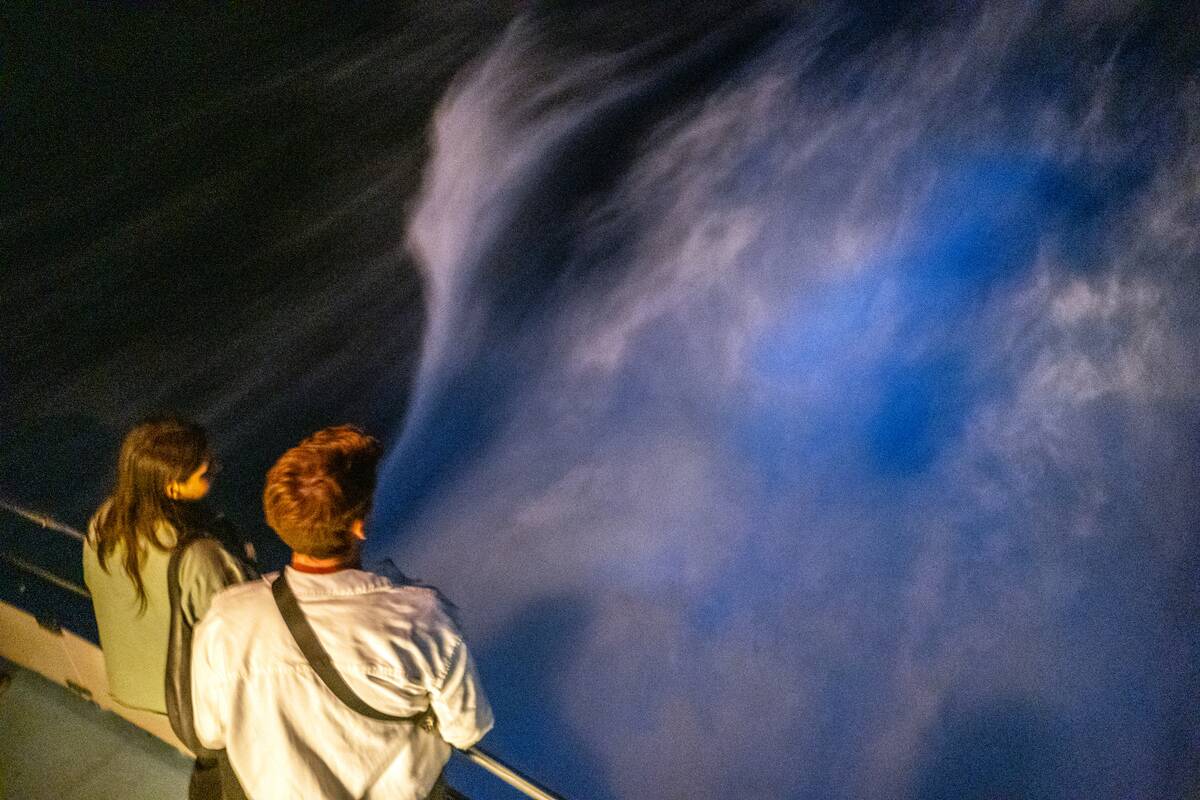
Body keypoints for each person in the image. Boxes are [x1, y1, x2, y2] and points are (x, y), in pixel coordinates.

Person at [191, 425, 493, 800]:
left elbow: (211, 731)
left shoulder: (226, 617)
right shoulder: (423, 620)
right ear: (359, 525)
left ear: (279, 521)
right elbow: (467, 730)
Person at [83, 416, 253, 797]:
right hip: (188, 700)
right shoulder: (199, 555)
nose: (215, 473)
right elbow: (243, 632)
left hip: (134, 682)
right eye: (206, 472)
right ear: (173, 487)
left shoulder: (103, 522)